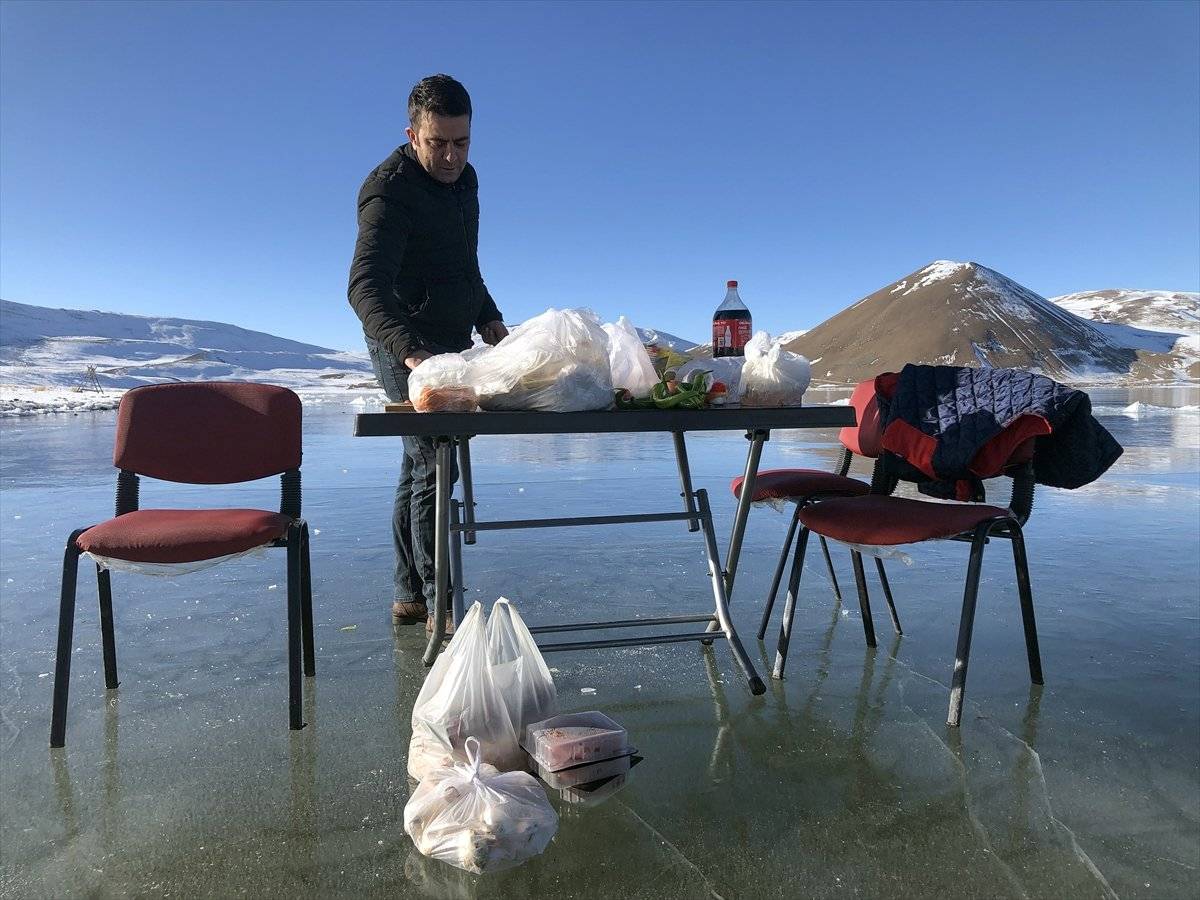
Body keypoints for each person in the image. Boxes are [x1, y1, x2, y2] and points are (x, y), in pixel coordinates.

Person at [348, 74, 508, 633]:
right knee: (434, 463)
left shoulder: (466, 183)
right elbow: (364, 285)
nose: (449, 156)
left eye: (461, 143)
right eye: (437, 143)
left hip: (451, 340)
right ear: (412, 134)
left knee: (418, 462)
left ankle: (408, 591)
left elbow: (464, 264)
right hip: (403, 339)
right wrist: (411, 352)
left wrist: (488, 315)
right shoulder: (388, 191)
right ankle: (441, 602)